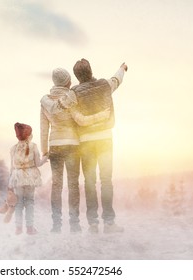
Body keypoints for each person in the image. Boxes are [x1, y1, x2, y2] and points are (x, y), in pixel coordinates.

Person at [40, 68, 110, 233]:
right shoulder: (71, 97)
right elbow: (80, 120)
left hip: (55, 145)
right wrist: (101, 117)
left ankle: (56, 225)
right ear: (67, 81)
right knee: (73, 185)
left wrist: (44, 150)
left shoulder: (45, 101)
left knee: (56, 185)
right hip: (72, 145)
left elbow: (44, 129)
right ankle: (74, 224)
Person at [70, 58, 128, 234]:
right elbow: (116, 80)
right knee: (106, 181)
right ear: (90, 70)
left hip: (85, 142)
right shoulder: (104, 85)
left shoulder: (74, 93)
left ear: (77, 76)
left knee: (89, 182)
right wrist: (122, 68)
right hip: (104, 140)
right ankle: (109, 224)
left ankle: (93, 224)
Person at [9, 122, 47, 235]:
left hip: (17, 177)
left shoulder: (13, 148)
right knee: (30, 202)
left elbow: (12, 167)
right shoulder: (33, 146)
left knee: (19, 203)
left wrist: (10, 182)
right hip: (30, 178)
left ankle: (18, 228)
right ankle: (30, 228)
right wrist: (46, 158)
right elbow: (38, 163)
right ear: (29, 135)